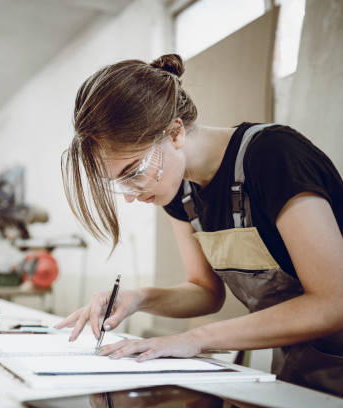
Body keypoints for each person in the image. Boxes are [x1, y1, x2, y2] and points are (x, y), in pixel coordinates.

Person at [54, 54, 343, 396]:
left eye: (133, 172)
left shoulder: (273, 156)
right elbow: (206, 292)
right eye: (120, 182)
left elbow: (333, 302)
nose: (131, 196)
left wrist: (195, 339)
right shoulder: (180, 193)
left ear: (174, 133)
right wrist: (137, 298)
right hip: (301, 366)